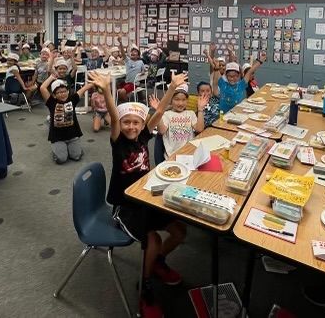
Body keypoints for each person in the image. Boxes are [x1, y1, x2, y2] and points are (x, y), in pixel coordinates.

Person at [94, 69, 187, 317]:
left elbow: (157, 114)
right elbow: (114, 119)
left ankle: (156, 262)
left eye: (136, 122)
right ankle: (144, 286)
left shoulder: (144, 136)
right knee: (153, 240)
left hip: (147, 197)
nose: (131, 127)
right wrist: (105, 90)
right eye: (127, 123)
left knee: (179, 231)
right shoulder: (119, 142)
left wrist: (171, 88)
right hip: (126, 206)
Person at [39, 72, 93, 163]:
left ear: (68, 91)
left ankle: (73, 150)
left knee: (76, 156)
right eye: (59, 92)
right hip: (57, 137)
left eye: (64, 91)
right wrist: (51, 77)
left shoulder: (72, 99)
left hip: (72, 135)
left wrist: (95, 81)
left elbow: (84, 88)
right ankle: (58, 150)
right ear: (54, 95)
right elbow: (42, 88)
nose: (62, 94)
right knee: (61, 159)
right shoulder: (51, 102)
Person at [153, 83, 208, 161]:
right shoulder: (166, 114)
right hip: (172, 156)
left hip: (189, 154)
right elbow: (161, 131)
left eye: (183, 100)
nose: (180, 103)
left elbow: (199, 129)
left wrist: (200, 109)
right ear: (170, 100)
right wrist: (159, 112)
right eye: (177, 99)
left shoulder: (190, 113)